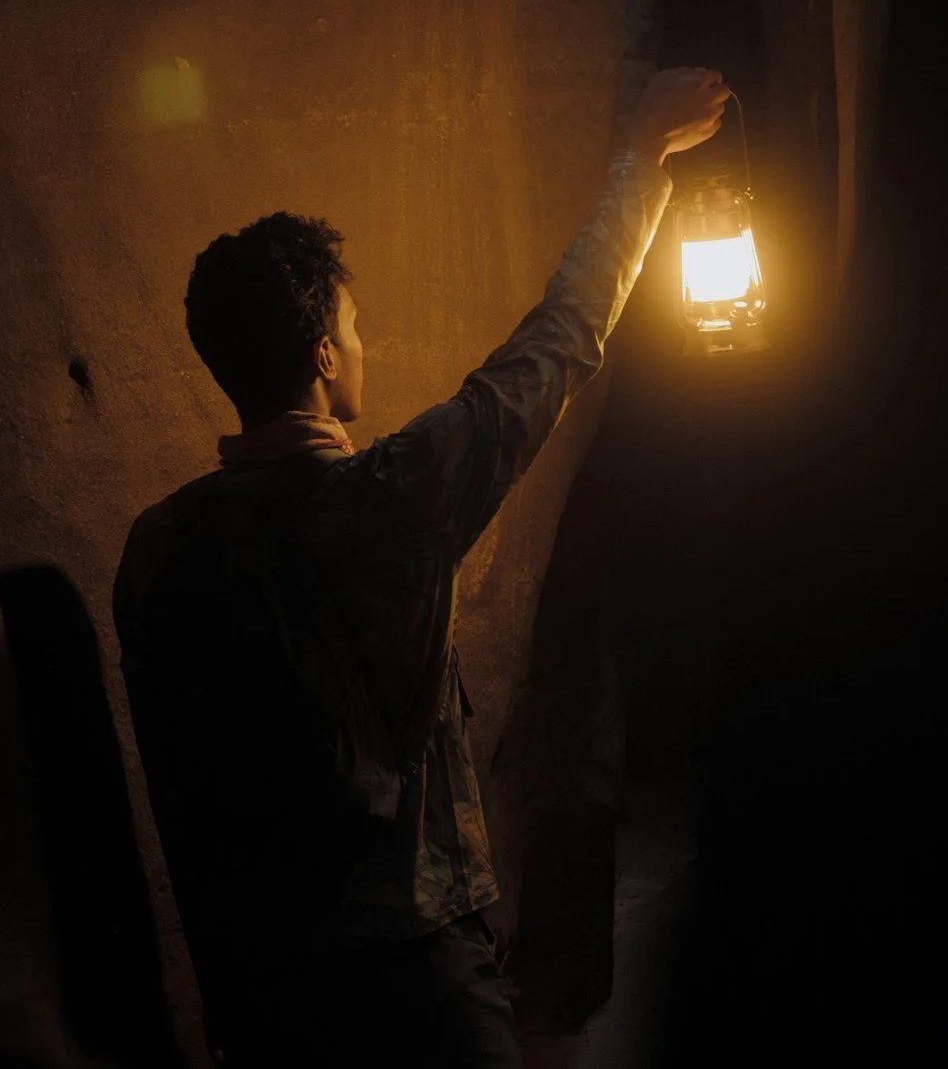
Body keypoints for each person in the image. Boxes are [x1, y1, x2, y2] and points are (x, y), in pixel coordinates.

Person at [112, 67, 729, 1067]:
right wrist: (641, 159)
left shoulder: (156, 547)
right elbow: (557, 343)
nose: (362, 343)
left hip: (261, 992)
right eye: (351, 329)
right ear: (319, 353)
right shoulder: (391, 497)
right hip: (414, 975)